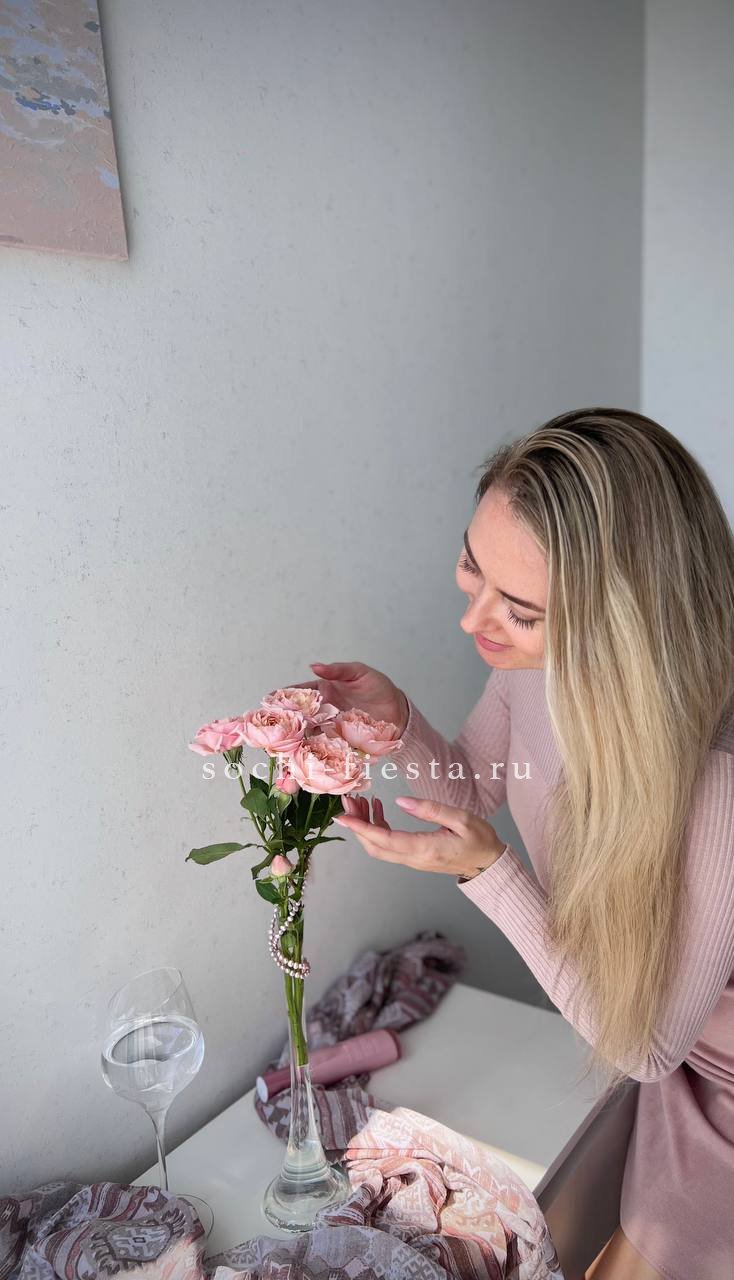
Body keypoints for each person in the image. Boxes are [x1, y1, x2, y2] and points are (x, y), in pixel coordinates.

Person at [296, 409, 734, 1280]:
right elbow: (472, 784)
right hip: (653, 1053)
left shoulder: (716, 776)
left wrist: (490, 873)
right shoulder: (534, 668)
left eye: (520, 611)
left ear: (624, 625)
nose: (474, 622)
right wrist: (399, 721)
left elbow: (645, 1046)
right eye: (473, 567)